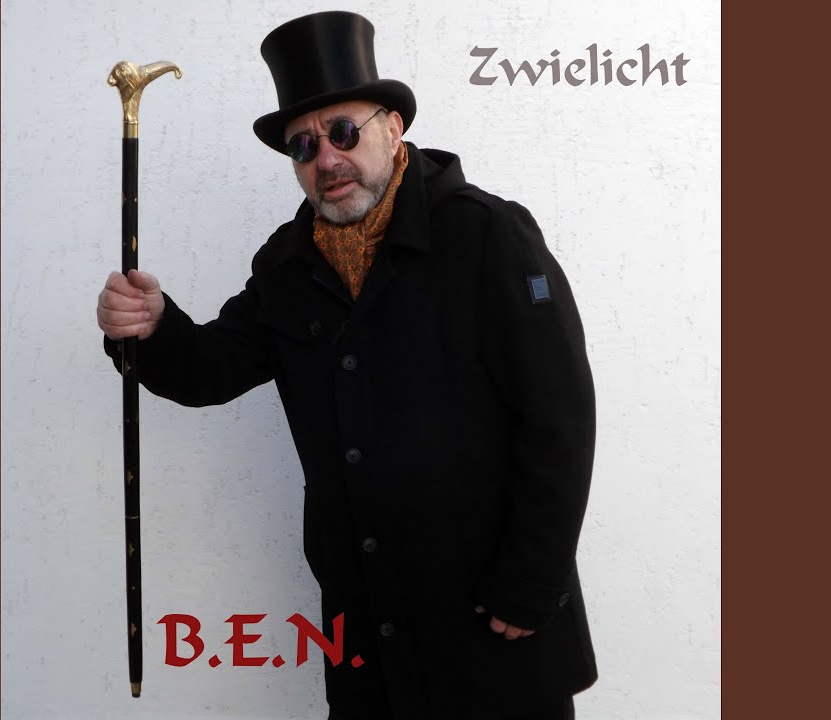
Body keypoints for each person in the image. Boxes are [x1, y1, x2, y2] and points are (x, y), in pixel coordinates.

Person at [96, 11, 597, 720]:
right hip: (368, 626)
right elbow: (209, 368)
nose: (325, 159)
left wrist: (533, 581)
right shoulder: (287, 265)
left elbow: (560, 418)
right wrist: (152, 327)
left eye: (343, 131)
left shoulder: (486, 235)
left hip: (493, 618)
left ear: (392, 128)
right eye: (303, 146)